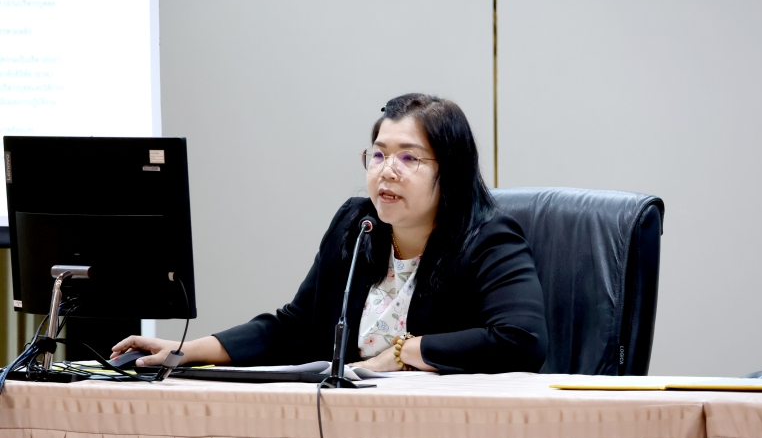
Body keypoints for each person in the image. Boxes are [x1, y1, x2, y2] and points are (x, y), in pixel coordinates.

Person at [111, 93, 547, 374]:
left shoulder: (488, 239)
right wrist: (186, 350)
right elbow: (294, 327)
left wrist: (404, 352)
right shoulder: (358, 226)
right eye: (379, 155)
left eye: (409, 158)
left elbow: (522, 340)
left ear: (449, 173)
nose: (386, 171)